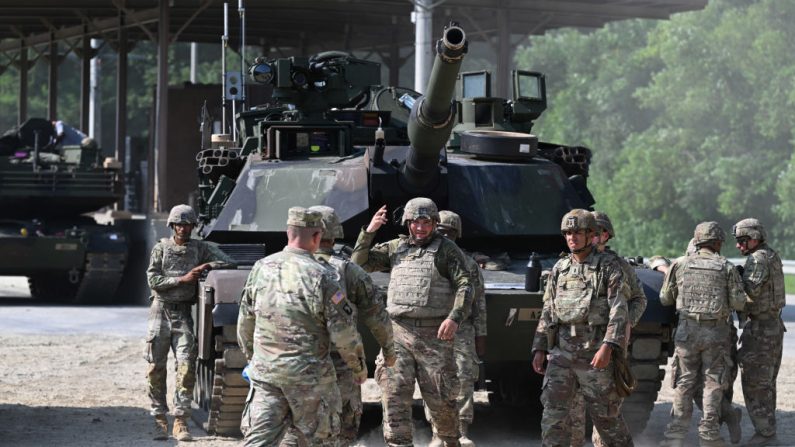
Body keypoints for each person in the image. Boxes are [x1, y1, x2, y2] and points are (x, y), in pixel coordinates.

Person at [237, 207, 367, 446]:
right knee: (320, 441)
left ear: (288, 232)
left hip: (267, 375)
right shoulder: (323, 276)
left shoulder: (260, 268)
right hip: (311, 381)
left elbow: (245, 322)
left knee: (259, 441)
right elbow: (344, 333)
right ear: (317, 237)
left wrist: (254, 358)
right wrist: (358, 368)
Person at [351, 197, 475, 447]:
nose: (420, 228)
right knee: (394, 399)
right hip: (398, 335)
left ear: (434, 223)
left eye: (426, 222)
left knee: (442, 405)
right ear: (407, 223)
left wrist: (454, 317)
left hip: (434, 338)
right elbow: (359, 264)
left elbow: (466, 284)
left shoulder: (446, 250)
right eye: (415, 222)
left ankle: (450, 441)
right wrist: (369, 232)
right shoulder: (396, 248)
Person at [278, 205, 396, 446]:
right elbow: (376, 316)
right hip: (340, 364)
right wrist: (388, 350)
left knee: (294, 426)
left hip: (291, 360)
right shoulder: (348, 270)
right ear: (333, 232)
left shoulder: (274, 267)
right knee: (341, 429)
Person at [531, 208, 633, 447]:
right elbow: (548, 310)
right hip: (561, 355)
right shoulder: (559, 268)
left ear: (591, 234)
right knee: (553, 417)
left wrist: (609, 346)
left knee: (607, 419)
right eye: (567, 233)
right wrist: (539, 347)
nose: (571, 237)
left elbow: (619, 310)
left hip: (594, 353)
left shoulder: (609, 267)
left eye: (577, 232)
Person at [145, 204, 237, 441]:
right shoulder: (161, 249)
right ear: (172, 226)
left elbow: (228, 262)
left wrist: (206, 265)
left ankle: (180, 420)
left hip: (183, 313)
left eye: (187, 225)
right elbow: (153, 279)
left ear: (193, 227)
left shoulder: (200, 248)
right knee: (156, 367)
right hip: (161, 311)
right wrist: (182, 279)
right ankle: (158, 419)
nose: (183, 229)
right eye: (179, 224)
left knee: (186, 366)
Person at [659, 222, 747, 447]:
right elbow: (738, 302)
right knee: (712, 383)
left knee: (685, 382)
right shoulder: (725, 266)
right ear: (718, 242)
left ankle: (675, 436)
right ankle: (709, 436)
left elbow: (665, 299)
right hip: (716, 333)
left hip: (687, 332)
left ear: (696, 240)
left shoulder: (679, 264)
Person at [568, 211, 647, 447]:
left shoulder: (619, 265)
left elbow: (639, 299)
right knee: (572, 412)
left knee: (605, 413)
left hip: (608, 347)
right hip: (575, 345)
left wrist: (626, 324)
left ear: (605, 235)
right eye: (589, 231)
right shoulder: (571, 263)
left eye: (598, 231)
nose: (594, 236)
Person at [425, 210, 487, 447]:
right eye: (440, 231)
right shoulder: (425, 259)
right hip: (432, 328)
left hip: (462, 330)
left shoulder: (469, 264)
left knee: (462, 377)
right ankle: (437, 433)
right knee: (433, 381)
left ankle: (460, 430)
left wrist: (481, 334)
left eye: (450, 232)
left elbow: (479, 303)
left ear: (457, 234)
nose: (444, 236)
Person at [733, 218, 785, 447]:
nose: (739, 246)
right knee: (766, 383)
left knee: (755, 383)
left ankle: (765, 434)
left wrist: (733, 278)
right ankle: (767, 430)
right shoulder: (770, 255)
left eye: (743, 241)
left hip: (762, 331)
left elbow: (747, 294)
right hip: (770, 326)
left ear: (755, 238)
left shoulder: (758, 259)